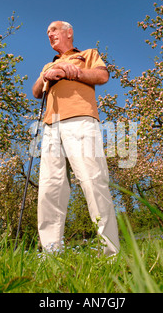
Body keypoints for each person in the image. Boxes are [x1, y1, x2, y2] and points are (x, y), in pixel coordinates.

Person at [32, 21, 120, 256]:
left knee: (93, 181)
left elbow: (102, 76)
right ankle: (51, 254)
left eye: (53, 29)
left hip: (81, 120)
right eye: (47, 32)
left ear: (68, 32)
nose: (49, 34)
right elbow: (36, 91)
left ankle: (110, 251)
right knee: (50, 189)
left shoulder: (87, 54)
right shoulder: (48, 64)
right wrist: (47, 75)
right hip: (51, 126)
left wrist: (75, 71)